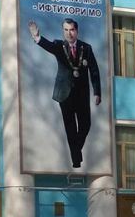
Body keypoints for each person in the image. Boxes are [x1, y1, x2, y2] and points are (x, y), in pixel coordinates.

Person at [27, 18, 102, 168]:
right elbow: (48, 46)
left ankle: (75, 152)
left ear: (77, 31)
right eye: (66, 30)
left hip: (82, 94)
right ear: (63, 31)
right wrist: (37, 37)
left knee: (85, 125)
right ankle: (76, 161)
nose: (69, 33)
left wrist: (97, 92)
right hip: (64, 94)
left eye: (72, 30)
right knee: (70, 128)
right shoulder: (59, 46)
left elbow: (94, 70)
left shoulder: (86, 48)